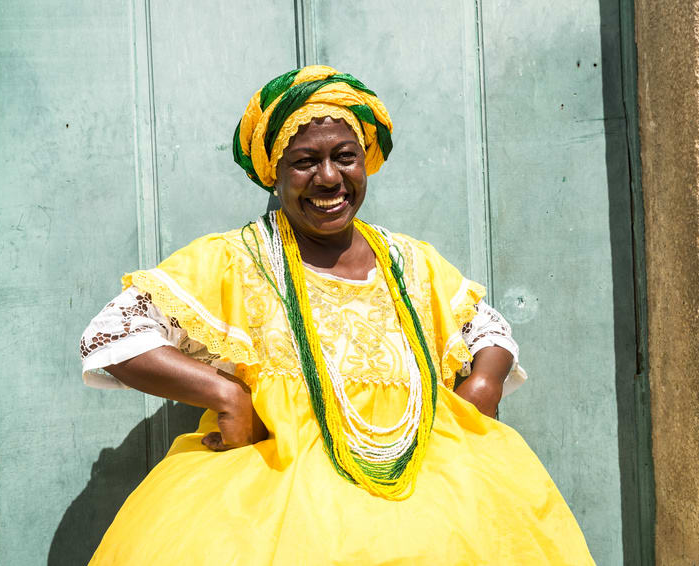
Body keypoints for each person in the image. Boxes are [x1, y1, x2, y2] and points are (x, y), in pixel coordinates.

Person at [80, 65, 594, 564]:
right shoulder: (237, 260)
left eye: (345, 157)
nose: (329, 178)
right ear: (273, 173)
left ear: (365, 161)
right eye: (305, 161)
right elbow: (113, 335)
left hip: (436, 484)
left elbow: (486, 329)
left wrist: (484, 382)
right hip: (279, 501)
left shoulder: (408, 261)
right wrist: (226, 395)